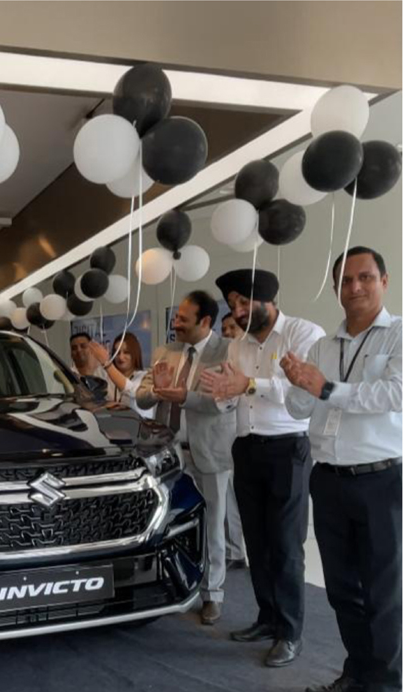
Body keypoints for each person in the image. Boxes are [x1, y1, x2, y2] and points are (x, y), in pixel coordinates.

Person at [282, 247, 401, 692]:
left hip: (381, 479)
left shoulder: (398, 334)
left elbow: (394, 394)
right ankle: (357, 673)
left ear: (383, 281)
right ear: (336, 289)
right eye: (346, 280)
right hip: (329, 479)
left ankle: (385, 684)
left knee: (384, 593)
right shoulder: (321, 346)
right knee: (342, 589)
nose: (355, 287)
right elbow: (299, 409)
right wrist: (298, 384)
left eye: (365, 277)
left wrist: (327, 388)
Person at [201, 269, 325, 668]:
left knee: (286, 545)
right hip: (247, 448)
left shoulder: (303, 333)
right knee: (256, 541)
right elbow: (232, 397)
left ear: (268, 298)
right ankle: (267, 617)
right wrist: (221, 393)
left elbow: (301, 388)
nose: (237, 311)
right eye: (232, 304)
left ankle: (290, 633)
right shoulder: (237, 346)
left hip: (288, 448)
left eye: (244, 302)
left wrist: (249, 385)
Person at [134, 291, 238, 625]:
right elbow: (141, 397)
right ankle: (169, 584)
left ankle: (213, 594)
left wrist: (184, 396)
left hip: (209, 452)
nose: (175, 323)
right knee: (167, 522)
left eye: (182, 318)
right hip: (169, 457)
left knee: (213, 527)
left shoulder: (228, 350)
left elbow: (222, 402)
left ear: (205, 321)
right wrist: (156, 390)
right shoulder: (165, 352)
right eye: (175, 317)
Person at [218, 313, 247, 570]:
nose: (227, 333)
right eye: (224, 328)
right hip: (225, 438)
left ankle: (236, 551)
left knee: (233, 497)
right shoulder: (224, 361)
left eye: (232, 328)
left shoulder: (246, 363)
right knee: (229, 496)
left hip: (242, 438)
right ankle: (234, 550)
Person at [89, 333, 154, 418]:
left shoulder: (144, 376)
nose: (121, 357)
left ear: (135, 353)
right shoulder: (104, 375)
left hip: (137, 424)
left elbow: (132, 391)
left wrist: (106, 363)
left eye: (126, 352)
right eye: (117, 352)